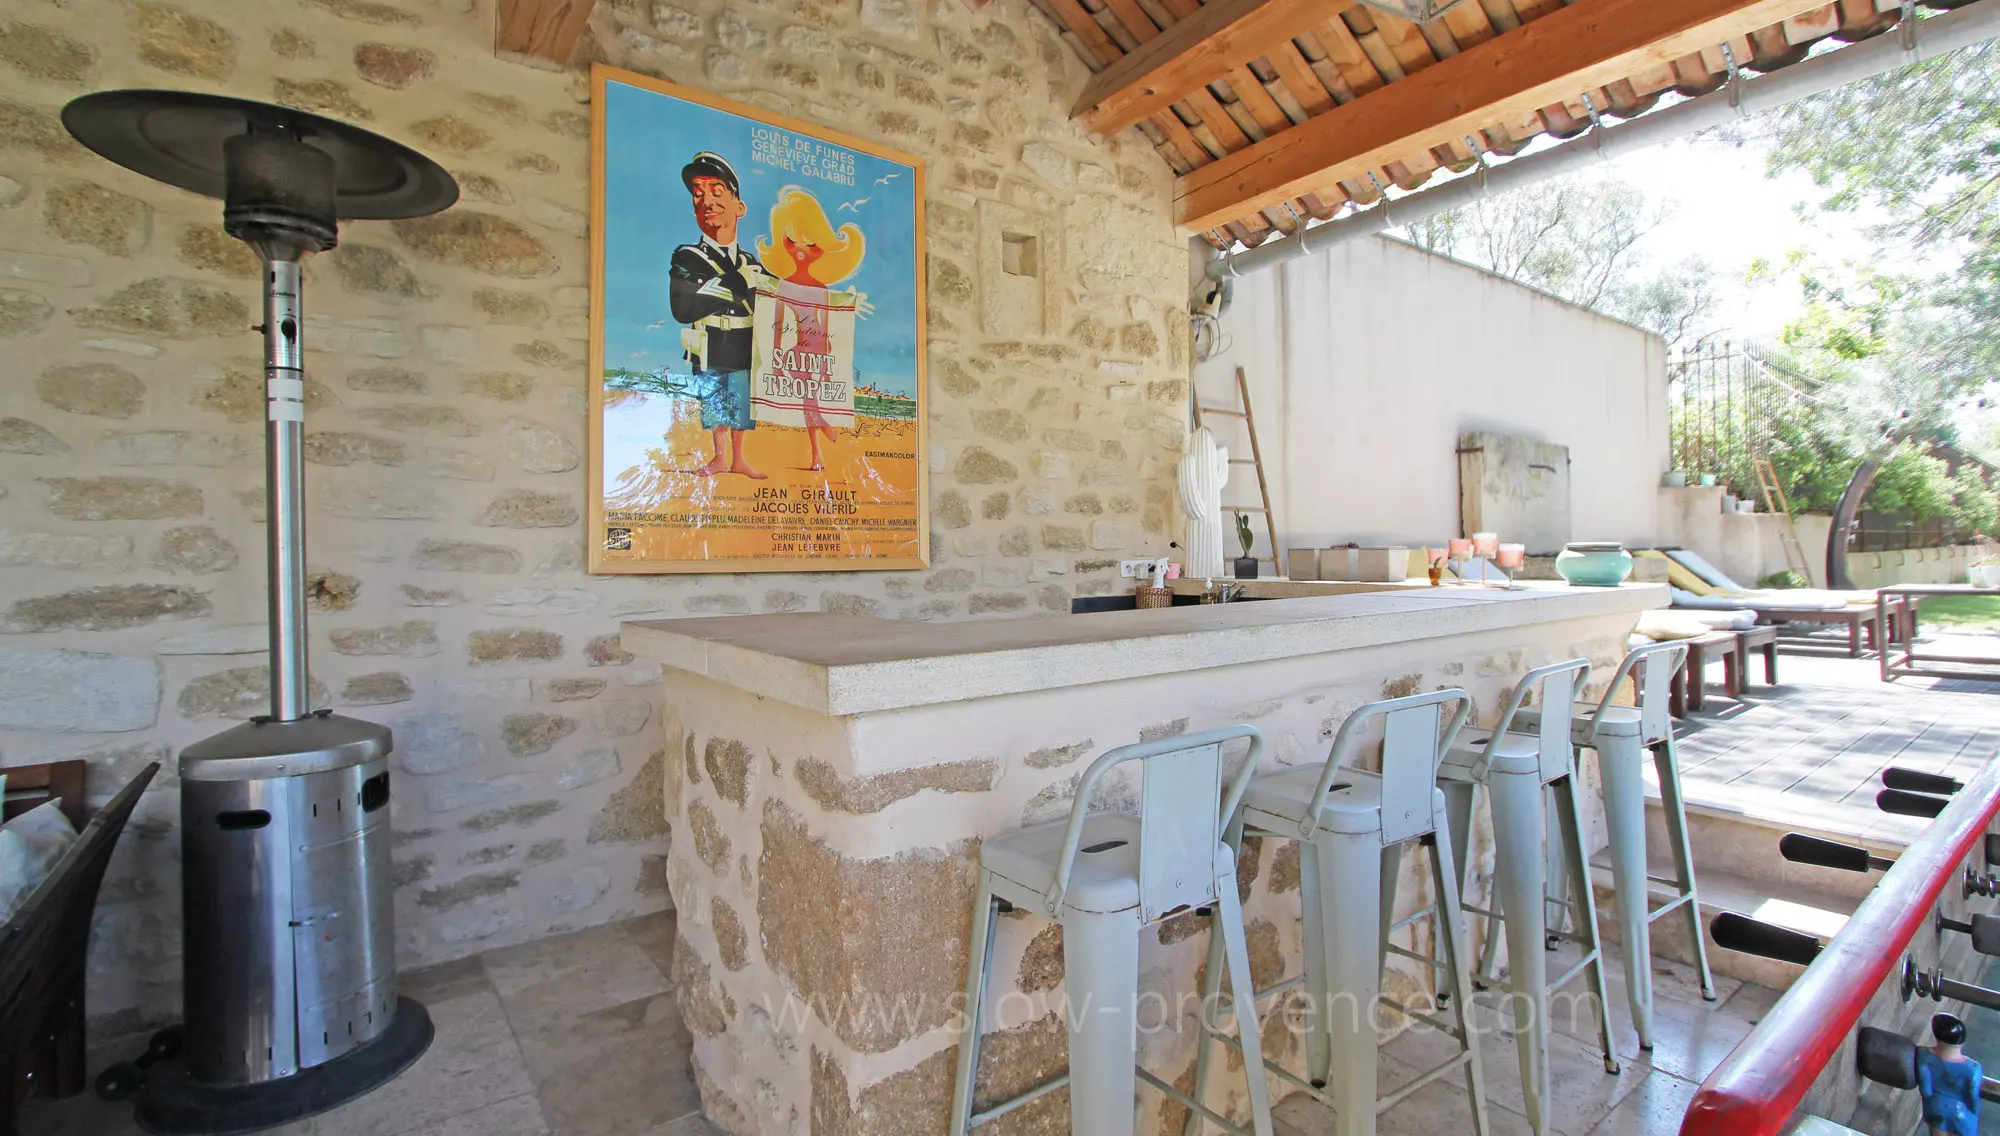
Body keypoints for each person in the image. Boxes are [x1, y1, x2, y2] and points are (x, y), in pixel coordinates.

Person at [753, 187, 864, 472]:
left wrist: (827, 366)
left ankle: (817, 451)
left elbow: (827, 327)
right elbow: (776, 327)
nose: (801, 250)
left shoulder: (820, 289)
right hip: (797, 348)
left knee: (807, 396)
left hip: (818, 347)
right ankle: (818, 446)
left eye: (811, 245)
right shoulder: (784, 286)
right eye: (792, 241)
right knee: (807, 397)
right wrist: (777, 362)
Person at [669, 151, 765, 479]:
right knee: (714, 399)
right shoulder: (689, 256)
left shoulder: (751, 261)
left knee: (741, 400)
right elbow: (683, 308)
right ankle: (719, 457)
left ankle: (739, 458)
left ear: (739, 206)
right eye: (698, 193)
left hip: (744, 340)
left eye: (717, 190)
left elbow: (776, 302)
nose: (707, 200)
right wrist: (739, 282)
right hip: (708, 339)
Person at [1917, 1012, 1981, 1136]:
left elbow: (1925, 1089)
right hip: (1961, 1111)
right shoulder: (1972, 1068)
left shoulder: (1923, 1055)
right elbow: (1973, 1096)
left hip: (1936, 1106)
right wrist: (1974, 1113)